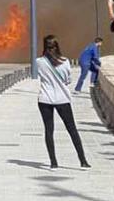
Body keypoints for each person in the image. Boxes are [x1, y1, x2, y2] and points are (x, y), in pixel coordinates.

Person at [37, 35, 90, 169]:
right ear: (57, 46)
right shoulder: (65, 61)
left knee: (49, 131)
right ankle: (83, 160)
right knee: (72, 129)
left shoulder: (39, 62)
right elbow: (67, 80)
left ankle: (53, 163)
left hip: (45, 99)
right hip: (62, 99)